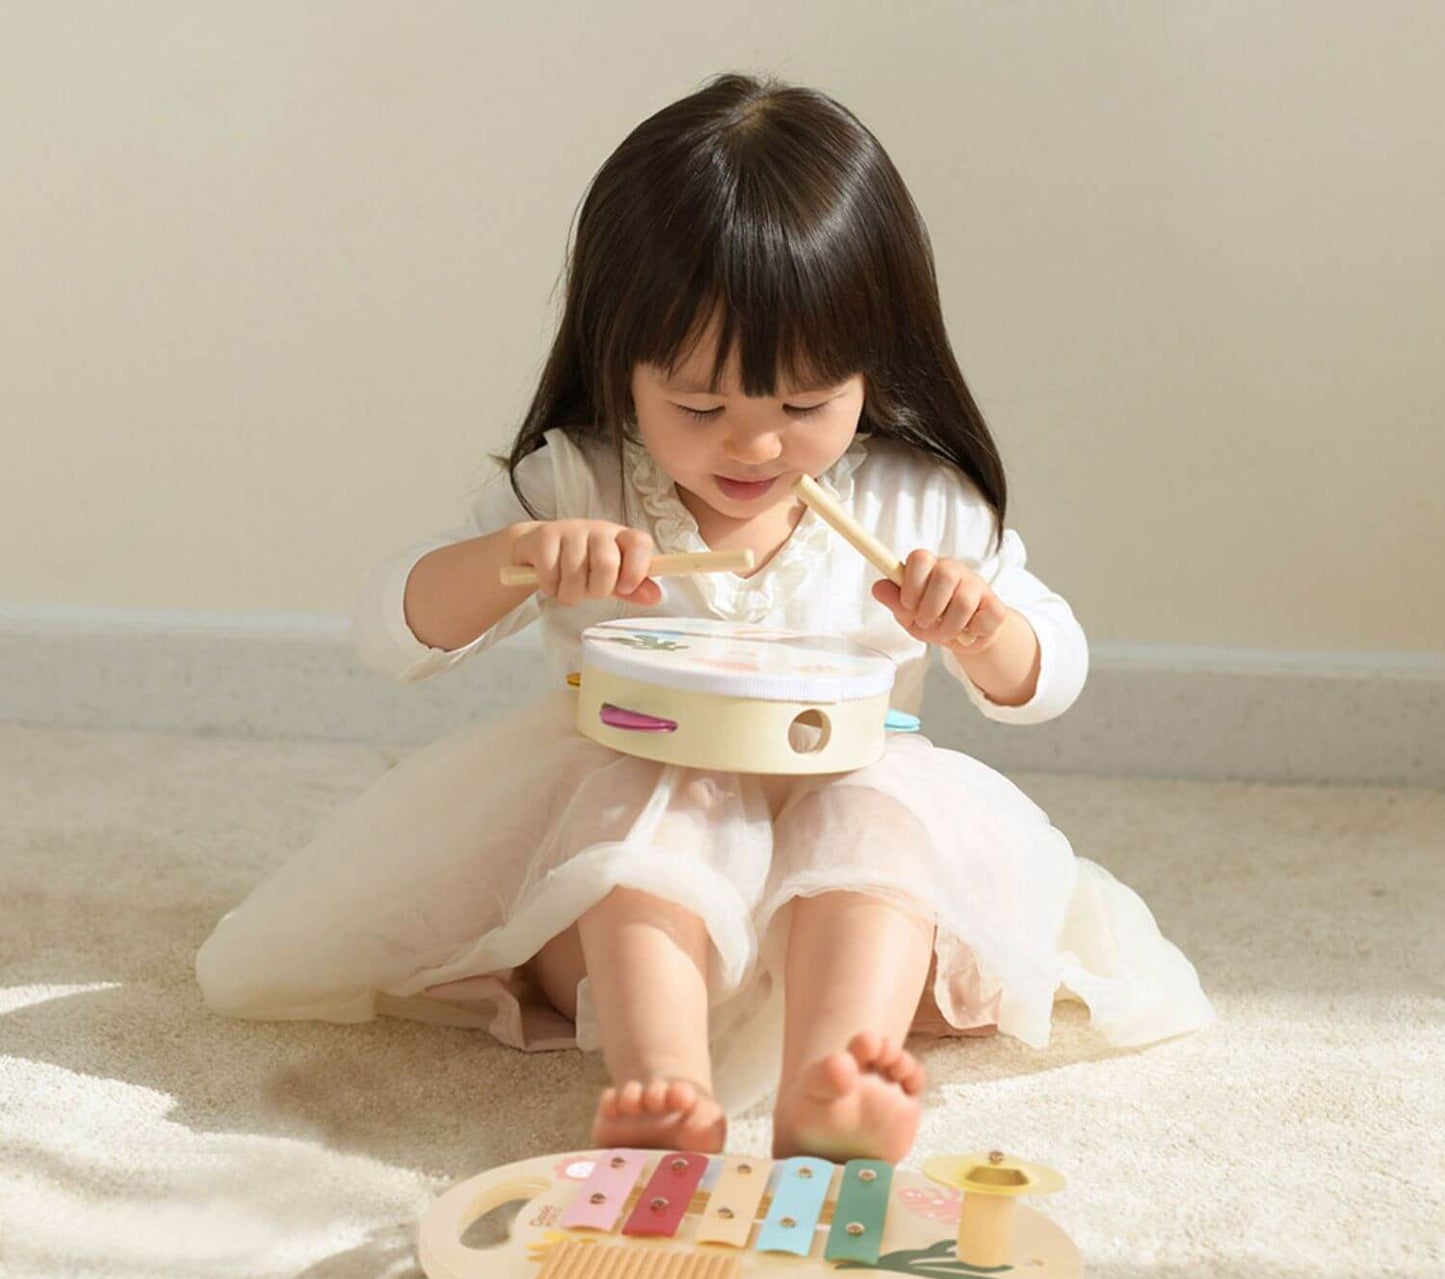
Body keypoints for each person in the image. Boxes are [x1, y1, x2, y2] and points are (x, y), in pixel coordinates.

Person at [196, 72, 1215, 1164]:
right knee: (637, 818)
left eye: (804, 404)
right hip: (638, 938)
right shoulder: (579, 480)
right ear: (618, 363)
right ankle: (660, 1080)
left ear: (872, 364)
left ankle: (832, 1075)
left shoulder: (915, 498)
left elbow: (1045, 676)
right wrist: (516, 560)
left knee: (875, 819)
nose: (755, 447)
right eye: (697, 406)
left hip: (842, 934)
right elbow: (389, 635)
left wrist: (976, 625)